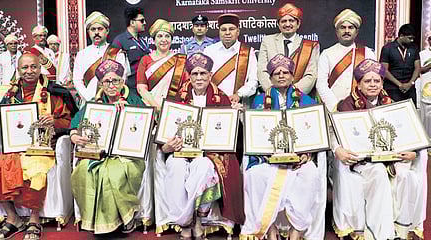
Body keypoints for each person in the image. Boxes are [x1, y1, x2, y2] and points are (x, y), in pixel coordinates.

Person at [0, 53, 77, 240]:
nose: (29, 71)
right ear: (18, 70)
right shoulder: (10, 95)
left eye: (33, 67)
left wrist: (55, 121)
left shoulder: (56, 93)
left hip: (43, 148)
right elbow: (0, 123)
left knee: (36, 170)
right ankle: (13, 217)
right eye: (24, 68)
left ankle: (34, 219)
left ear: (40, 67)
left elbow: (72, 121)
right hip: (15, 148)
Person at [156, 53, 244, 239]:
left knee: (202, 168)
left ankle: (194, 221)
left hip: (208, 154)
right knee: (175, 168)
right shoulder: (177, 100)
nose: (199, 78)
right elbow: (163, 143)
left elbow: (230, 137)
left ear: (210, 75)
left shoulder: (223, 98)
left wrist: (235, 117)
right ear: (189, 76)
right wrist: (168, 147)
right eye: (194, 73)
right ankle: (188, 222)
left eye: (203, 73)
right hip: (180, 153)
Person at [332, 59, 423, 239]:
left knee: (404, 175)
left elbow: (408, 133)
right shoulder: (346, 105)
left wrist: (413, 151)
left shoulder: (392, 104)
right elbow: (334, 135)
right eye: (367, 81)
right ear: (358, 83)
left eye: (377, 81)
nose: (373, 85)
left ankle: (401, 230)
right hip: (361, 160)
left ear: (382, 83)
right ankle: (382, 235)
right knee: (379, 172)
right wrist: (338, 150)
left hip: (393, 156)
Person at [240, 54, 320, 240]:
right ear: (270, 78)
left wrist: (307, 153)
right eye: (277, 73)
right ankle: (270, 229)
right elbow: (256, 134)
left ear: (293, 76)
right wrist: (267, 153)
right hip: (267, 158)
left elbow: (313, 133)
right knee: (256, 174)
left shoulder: (307, 101)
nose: (281, 76)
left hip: (298, 158)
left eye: (285, 72)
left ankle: (297, 229)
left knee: (311, 173)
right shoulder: (259, 101)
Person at [70, 60, 144, 234]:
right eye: (107, 81)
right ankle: (94, 221)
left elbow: (146, 125)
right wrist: (74, 135)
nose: (111, 85)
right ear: (101, 84)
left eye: (116, 80)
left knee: (113, 174)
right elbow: (75, 124)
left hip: (125, 155)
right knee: (83, 170)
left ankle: (125, 218)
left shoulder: (133, 100)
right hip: (98, 153)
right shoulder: (93, 103)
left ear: (122, 82)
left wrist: (129, 112)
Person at [316, 9, 376, 112]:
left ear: (356, 32)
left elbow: (373, 81)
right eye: (342, 28)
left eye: (350, 28)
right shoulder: (326, 54)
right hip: (334, 109)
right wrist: (336, 107)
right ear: (337, 31)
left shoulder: (367, 53)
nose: (347, 31)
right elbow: (321, 84)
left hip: (362, 108)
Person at [257, 3, 319, 95]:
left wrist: (292, 93)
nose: (287, 24)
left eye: (291, 21)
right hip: (272, 97)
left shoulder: (310, 46)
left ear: (298, 24)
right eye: (283, 21)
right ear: (278, 24)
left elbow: (311, 75)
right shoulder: (267, 41)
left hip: (298, 97)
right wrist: (273, 92)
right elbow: (262, 71)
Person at [73, 11, 131, 107]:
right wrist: (90, 98)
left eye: (100, 29)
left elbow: (122, 78)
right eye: (93, 29)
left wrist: (107, 97)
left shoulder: (117, 53)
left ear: (107, 31)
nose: (96, 32)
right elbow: (77, 80)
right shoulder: (81, 54)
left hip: (112, 102)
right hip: (88, 102)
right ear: (88, 32)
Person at [203, 14, 258, 103]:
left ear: (238, 32)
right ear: (219, 32)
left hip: (238, 102)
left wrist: (239, 94)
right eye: (223, 30)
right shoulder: (209, 51)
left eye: (231, 29)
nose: (227, 33)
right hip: (212, 101)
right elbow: (203, 77)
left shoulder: (248, 52)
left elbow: (253, 80)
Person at [136, 19, 187, 109]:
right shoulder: (145, 59)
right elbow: (141, 87)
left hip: (174, 107)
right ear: (154, 40)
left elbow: (185, 85)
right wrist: (156, 106)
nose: (164, 40)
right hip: (150, 106)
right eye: (159, 36)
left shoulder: (180, 60)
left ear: (171, 40)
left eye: (167, 36)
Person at [111, 7, 150, 105]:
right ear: (132, 22)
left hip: (144, 87)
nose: (144, 23)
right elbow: (114, 68)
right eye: (141, 21)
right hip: (130, 89)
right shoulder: (119, 41)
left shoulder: (143, 41)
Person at [380, 24, 420, 105]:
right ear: (401, 36)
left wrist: (410, 83)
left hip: (410, 88)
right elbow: (384, 70)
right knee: (394, 115)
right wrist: (399, 85)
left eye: (413, 38)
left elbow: (417, 68)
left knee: (411, 115)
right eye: (410, 38)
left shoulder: (414, 48)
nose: (412, 40)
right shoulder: (387, 48)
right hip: (392, 88)